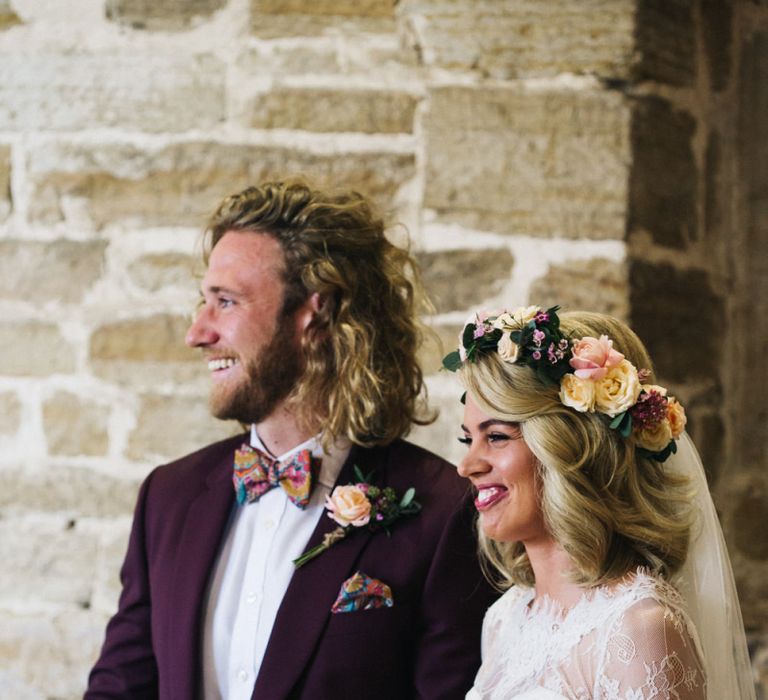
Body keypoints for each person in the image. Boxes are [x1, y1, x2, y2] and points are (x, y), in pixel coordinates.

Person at [86, 179, 497, 699]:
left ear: (315, 314)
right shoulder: (167, 497)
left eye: (226, 302)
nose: (197, 331)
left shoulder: (441, 513)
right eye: (203, 302)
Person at [443, 306, 755, 700]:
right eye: (466, 439)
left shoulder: (639, 629)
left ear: (568, 449)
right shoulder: (506, 619)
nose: (466, 465)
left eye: (497, 437)